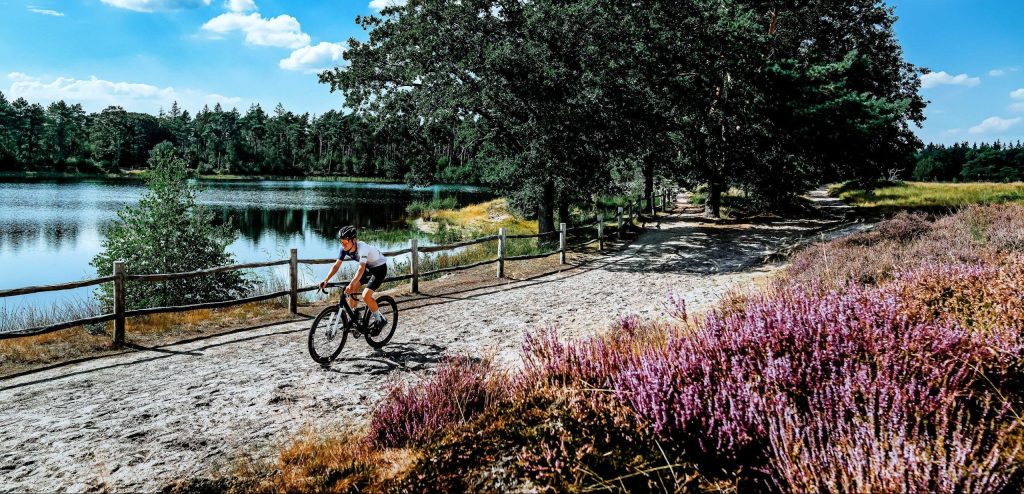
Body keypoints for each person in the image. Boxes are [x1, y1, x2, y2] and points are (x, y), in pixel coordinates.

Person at [319, 225, 388, 330]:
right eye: (341, 242)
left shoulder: (363, 248)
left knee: (365, 295)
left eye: (345, 242)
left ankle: (380, 319)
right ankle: (354, 314)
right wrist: (326, 280)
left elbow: (361, 268)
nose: (343, 244)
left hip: (379, 269)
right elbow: (336, 266)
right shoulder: (344, 249)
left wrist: (351, 284)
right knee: (352, 288)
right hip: (368, 268)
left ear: (353, 240)